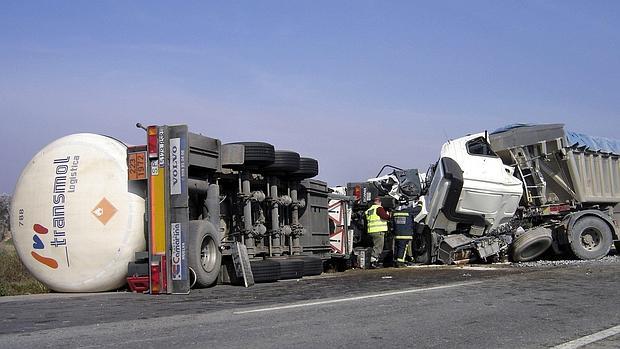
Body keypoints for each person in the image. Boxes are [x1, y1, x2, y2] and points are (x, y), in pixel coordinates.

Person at [392, 198, 419, 267]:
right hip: (405, 234)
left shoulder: (395, 212)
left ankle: (398, 260)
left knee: (398, 248)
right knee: (402, 248)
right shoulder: (409, 211)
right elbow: (419, 209)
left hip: (397, 234)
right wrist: (420, 201)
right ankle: (400, 263)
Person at [365, 196, 390, 268]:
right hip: (378, 231)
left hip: (371, 231)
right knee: (378, 247)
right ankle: (373, 262)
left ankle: (374, 261)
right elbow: (385, 216)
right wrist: (389, 215)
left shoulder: (369, 210)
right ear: (379, 202)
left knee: (376, 246)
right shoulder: (379, 208)